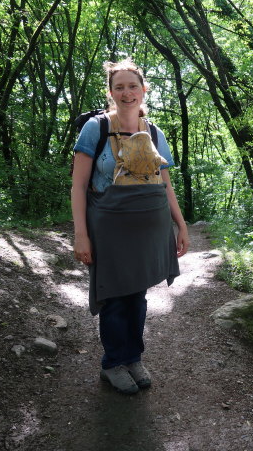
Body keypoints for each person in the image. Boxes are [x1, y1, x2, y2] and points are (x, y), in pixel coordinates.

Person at [71, 58, 189, 395]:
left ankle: (133, 357)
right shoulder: (96, 128)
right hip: (108, 226)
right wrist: (81, 234)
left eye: (132, 86)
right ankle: (112, 364)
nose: (126, 92)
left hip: (149, 228)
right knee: (114, 296)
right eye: (119, 86)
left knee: (137, 297)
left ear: (143, 89)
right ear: (110, 91)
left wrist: (180, 225)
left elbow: (165, 183)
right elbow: (79, 185)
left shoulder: (153, 132)